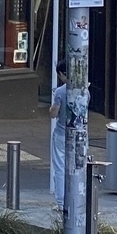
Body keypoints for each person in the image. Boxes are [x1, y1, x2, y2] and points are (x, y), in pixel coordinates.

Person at [48, 59, 68, 210]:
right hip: (80, 136)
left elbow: (53, 113)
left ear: (62, 74)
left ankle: (62, 203)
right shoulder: (84, 90)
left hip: (62, 133)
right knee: (77, 167)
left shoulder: (61, 92)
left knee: (60, 168)